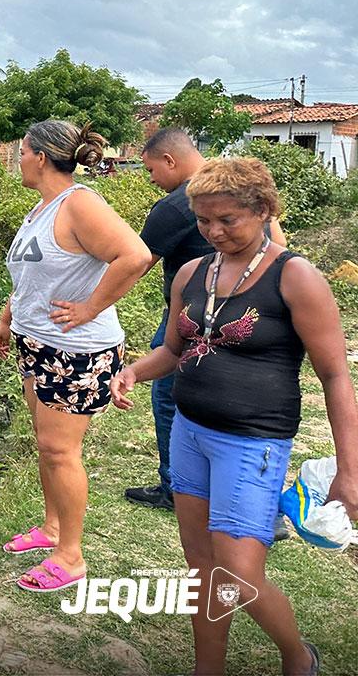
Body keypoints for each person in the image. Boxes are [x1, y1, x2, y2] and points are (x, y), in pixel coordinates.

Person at [109, 158, 357, 675]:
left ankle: (297, 655)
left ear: (264, 210)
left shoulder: (296, 277)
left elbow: (335, 376)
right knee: (201, 565)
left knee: (239, 571)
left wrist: (351, 472)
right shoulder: (192, 273)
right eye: (203, 221)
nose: (214, 232)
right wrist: (134, 371)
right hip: (190, 434)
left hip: (253, 443)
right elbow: (175, 350)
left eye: (227, 220)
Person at [0, 120, 151, 591]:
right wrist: (7, 320)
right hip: (36, 342)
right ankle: (52, 528)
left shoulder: (79, 202)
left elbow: (135, 256)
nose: (17, 159)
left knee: (61, 450)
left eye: (21, 151)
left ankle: (71, 556)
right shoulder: (40, 210)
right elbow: (30, 278)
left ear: (40, 156)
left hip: (76, 351)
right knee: (47, 444)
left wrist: (90, 308)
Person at [126, 128, 284, 510]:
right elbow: (277, 242)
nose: (214, 231)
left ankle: (177, 486)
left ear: (170, 160)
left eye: (150, 170)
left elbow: (136, 262)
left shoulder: (176, 204)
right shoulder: (232, 199)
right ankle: (211, 489)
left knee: (169, 396)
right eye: (204, 222)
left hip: (202, 321)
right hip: (221, 313)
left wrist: (88, 307)